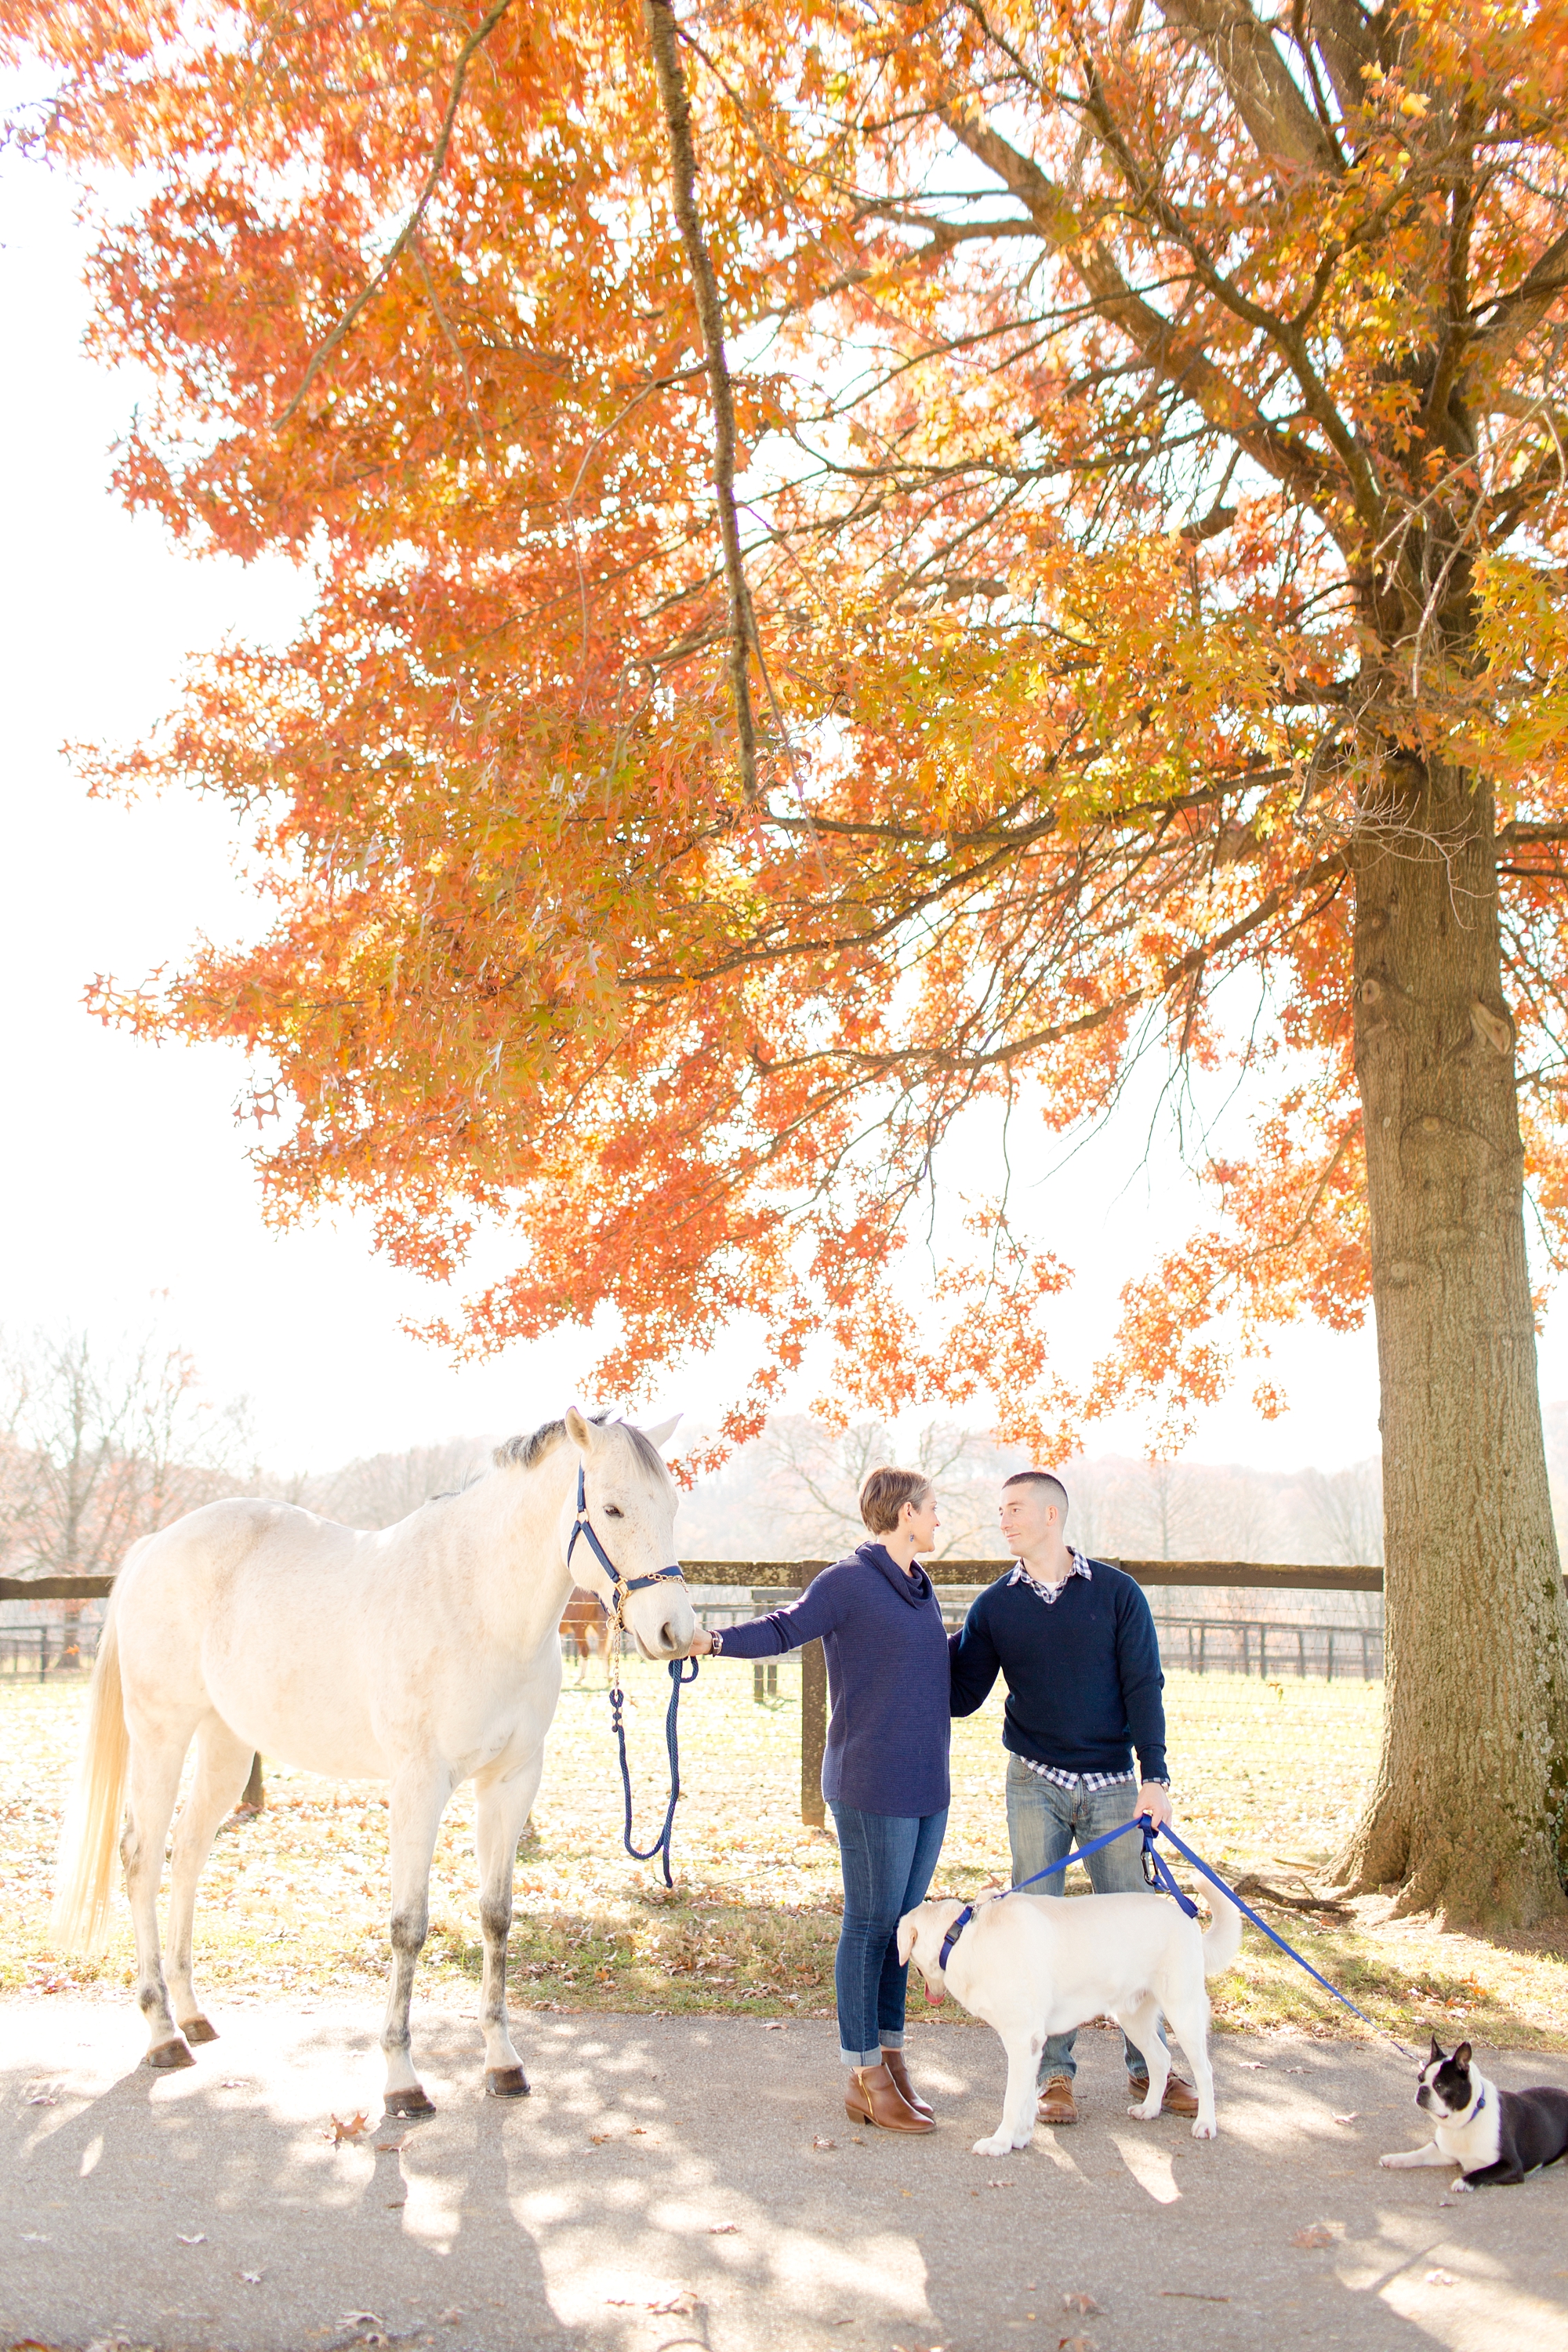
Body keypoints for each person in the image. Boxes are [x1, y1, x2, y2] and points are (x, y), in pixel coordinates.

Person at [685, 1467, 950, 2132]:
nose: (939, 1521)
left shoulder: (921, 1588)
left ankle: (891, 2059)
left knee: (903, 1929)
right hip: (871, 1785)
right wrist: (715, 1642)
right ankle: (864, 2075)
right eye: (932, 1509)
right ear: (906, 1514)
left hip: (926, 1785)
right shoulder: (848, 1582)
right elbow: (785, 1628)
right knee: (869, 1927)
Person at [947, 1468, 1199, 2125]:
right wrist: (901, 1644)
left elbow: (1145, 1684)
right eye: (999, 1510)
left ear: (1052, 1516)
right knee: (1035, 1929)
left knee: (1134, 1923)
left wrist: (1155, 1777)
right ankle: (1053, 2078)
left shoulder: (1116, 1593)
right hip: (1034, 1782)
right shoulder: (995, 1606)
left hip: (1115, 1784)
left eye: (1014, 1509)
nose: (1003, 1520)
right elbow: (961, 1693)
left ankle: (1156, 2071)